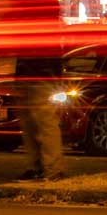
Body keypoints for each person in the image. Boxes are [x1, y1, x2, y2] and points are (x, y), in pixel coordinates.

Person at [14, 52, 65, 181]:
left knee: (45, 124)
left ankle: (51, 170)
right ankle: (39, 167)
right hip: (33, 78)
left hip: (40, 78)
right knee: (31, 126)